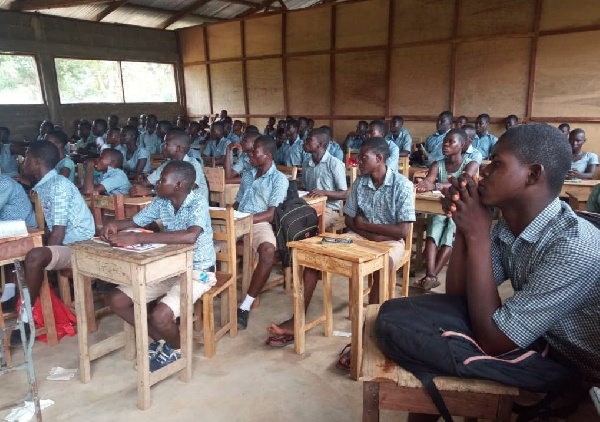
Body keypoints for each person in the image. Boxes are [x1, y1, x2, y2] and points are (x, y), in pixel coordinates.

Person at [380, 124, 600, 422]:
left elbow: (494, 340)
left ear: (532, 175)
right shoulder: (509, 227)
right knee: (429, 352)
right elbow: (458, 298)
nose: (483, 173)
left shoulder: (573, 246)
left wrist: (479, 235)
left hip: (584, 370)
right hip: (545, 343)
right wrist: (464, 226)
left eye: (497, 165)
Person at [268, 137, 414, 356]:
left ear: (380, 158)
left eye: (363, 157)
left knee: (385, 265)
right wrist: (367, 231)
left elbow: (402, 231)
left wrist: (367, 226)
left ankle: (370, 330)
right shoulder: (360, 183)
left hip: (391, 242)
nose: (357, 162)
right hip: (361, 235)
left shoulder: (402, 185)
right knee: (314, 258)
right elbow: (349, 219)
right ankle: (296, 320)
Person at [103, 161, 215, 372]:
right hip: (169, 267)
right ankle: (162, 341)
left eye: (163, 180)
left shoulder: (197, 202)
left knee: (160, 315)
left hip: (197, 272)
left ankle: (176, 349)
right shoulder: (162, 200)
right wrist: (114, 225)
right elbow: (136, 221)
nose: (157, 183)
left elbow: (191, 236)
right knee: (116, 299)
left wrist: (138, 239)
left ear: (178, 185)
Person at [14, 141, 95, 343]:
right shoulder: (43, 186)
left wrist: (39, 255)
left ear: (37, 161)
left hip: (80, 245)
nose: (24, 161)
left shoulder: (59, 185)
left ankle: (25, 316)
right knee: (23, 253)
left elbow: (58, 232)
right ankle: (28, 304)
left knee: (34, 257)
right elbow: (50, 227)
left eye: (28, 157)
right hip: (66, 243)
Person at [234, 135, 289, 330]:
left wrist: (244, 220)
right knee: (206, 242)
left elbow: (271, 213)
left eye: (254, 151)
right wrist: (231, 217)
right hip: (238, 218)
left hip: (258, 221)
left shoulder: (279, 179)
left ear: (267, 154)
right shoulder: (248, 175)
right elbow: (238, 202)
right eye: (249, 151)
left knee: (267, 250)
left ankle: (245, 305)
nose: (249, 155)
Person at [415, 128, 479, 290]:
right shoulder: (438, 164)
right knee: (434, 225)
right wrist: (424, 185)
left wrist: (436, 184)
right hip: (440, 206)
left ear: (462, 145)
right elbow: (429, 181)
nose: (446, 144)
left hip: (460, 209)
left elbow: (462, 183)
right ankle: (431, 275)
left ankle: (430, 276)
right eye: (445, 141)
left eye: (451, 142)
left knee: (451, 228)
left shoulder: (470, 164)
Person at [130, 128, 208, 201]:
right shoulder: (167, 164)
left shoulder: (193, 165)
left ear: (178, 148)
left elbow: (184, 192)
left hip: (194, 210)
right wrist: (136, 188)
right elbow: (147, 182)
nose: (162, 146)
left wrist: (150, 191)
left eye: (166, 144)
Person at [0, 174, 38, 312]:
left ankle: (18, 301)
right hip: (10, 234)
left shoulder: (4, 184)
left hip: (26, 234)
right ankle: (9, 295)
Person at [301, 128, 347, 230]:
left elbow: (344, 194)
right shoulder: (306, 163)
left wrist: (324, 192)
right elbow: (304, 189)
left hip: (329, 210)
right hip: (309, 207)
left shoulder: (335, 164)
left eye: (309, 139)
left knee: (307, 225)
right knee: (289, 221)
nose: (305, 141)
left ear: (319, 144)